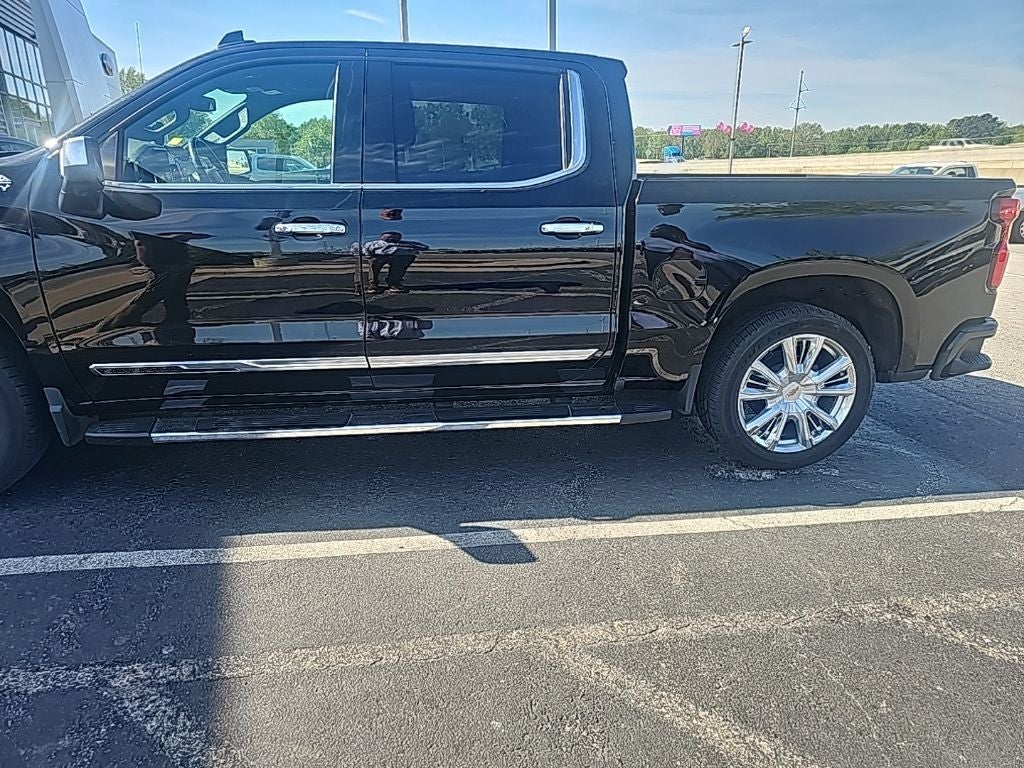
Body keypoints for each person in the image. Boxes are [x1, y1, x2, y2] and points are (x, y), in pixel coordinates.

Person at [363, 231, 428, 293]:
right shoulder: (374, 243)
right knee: (374, 267)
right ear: (382, 237)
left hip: (399, 257)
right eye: (388, 236)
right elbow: (365, 249)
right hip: (379, 256)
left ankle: (394, 283)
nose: (391, 237)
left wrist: (409, 249)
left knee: (399, 268)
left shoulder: (407, 243)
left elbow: (424, 247)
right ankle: (373, 284)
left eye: (394, 236)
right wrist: (368, 255)